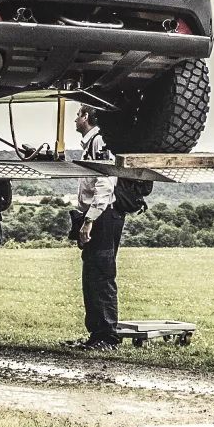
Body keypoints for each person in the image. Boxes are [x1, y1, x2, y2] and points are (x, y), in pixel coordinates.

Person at [68, 105, 125, 352]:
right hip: (98, 214)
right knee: (92, 275)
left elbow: (105, 183)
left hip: (103, 215)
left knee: (101, 275)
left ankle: (107, 337)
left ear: (87, 118)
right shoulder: (92, 142)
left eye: (78, 115)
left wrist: (89, 219)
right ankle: (96, 335)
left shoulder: (99, 140)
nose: (75, 119)